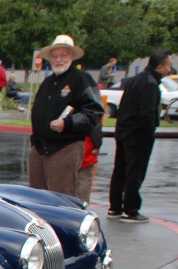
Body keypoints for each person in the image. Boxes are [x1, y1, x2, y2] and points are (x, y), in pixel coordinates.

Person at [28, 35, 103, 197]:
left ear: (72, 56)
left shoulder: (81, 79)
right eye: (55, 56)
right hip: (41, 147)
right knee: (35, 197)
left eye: (63, 55)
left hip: (65, 146)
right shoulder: (48, 83)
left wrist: (68, 123)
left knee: (60, 197)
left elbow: (94, 110)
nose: (58, 59)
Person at [108, 49, 173, 223]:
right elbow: (147, 113)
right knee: (134, 172)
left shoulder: (133, 81)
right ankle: (130, 209)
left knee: (120, 170)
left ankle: (115, 207)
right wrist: (149, 131)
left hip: (124, 131)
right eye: (169, 66)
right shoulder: (150, 84)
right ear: (159, 66)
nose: (170, 70)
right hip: (138, 135)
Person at [76, 70, 103, 201]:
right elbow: (96, 120)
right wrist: (97, 143)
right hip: (86, 141)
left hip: (78, 140)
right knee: (83, 179)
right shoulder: (91, 96)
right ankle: (81, 210)